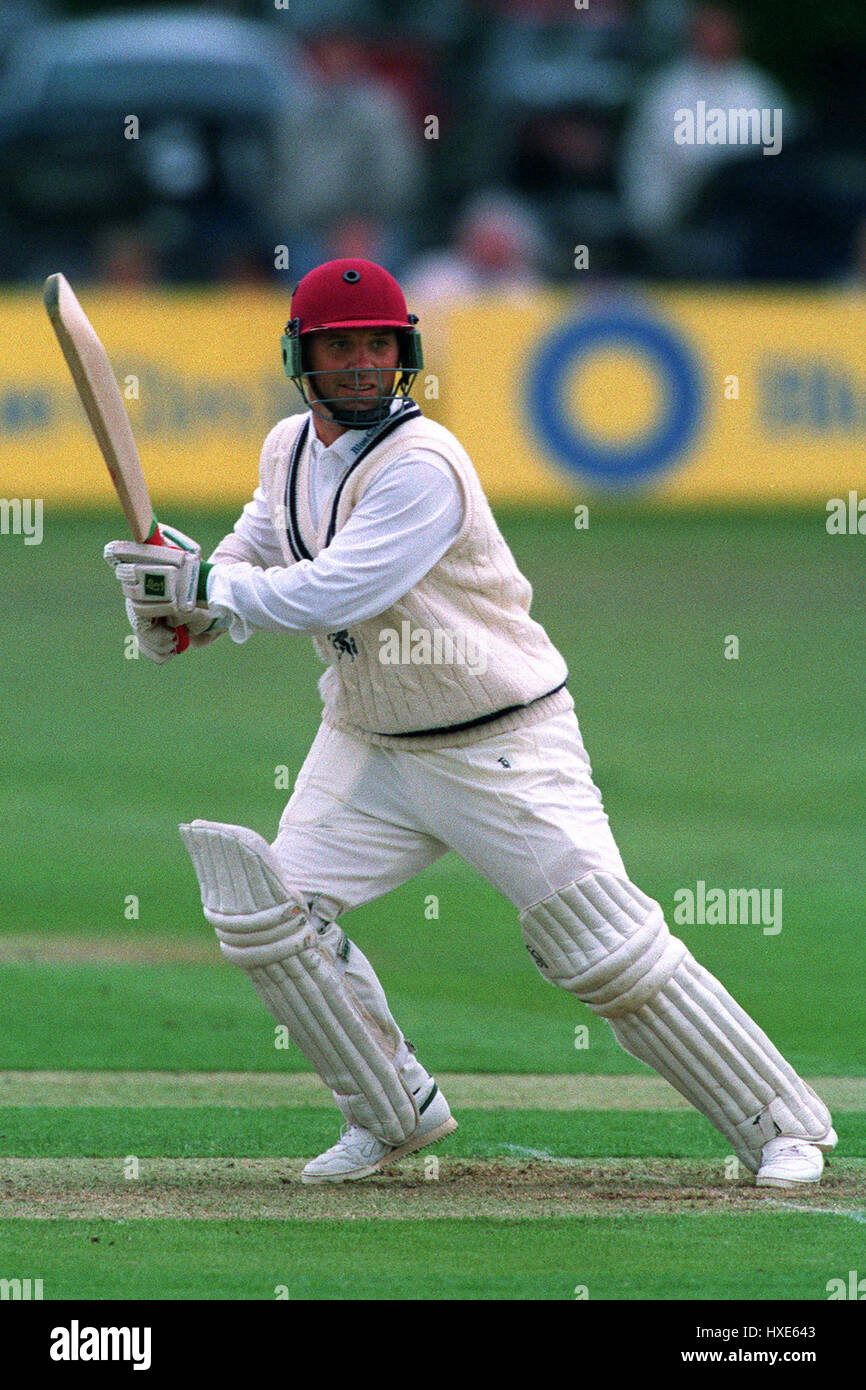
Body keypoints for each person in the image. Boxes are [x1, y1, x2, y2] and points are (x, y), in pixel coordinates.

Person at [105, 258, 836, 1187]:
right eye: (343, 347)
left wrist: (213, 588)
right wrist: (181, 598)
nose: (364, 364)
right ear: (303, 356)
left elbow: (341, 586)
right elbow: (259, 552)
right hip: (369, 741)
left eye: (379, 346)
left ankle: (782, 1125)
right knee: (271, 916)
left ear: (403, 353)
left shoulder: (425, 465)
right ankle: (389, 1111)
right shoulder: (287, 448)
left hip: (499, 742)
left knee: (606, 951)